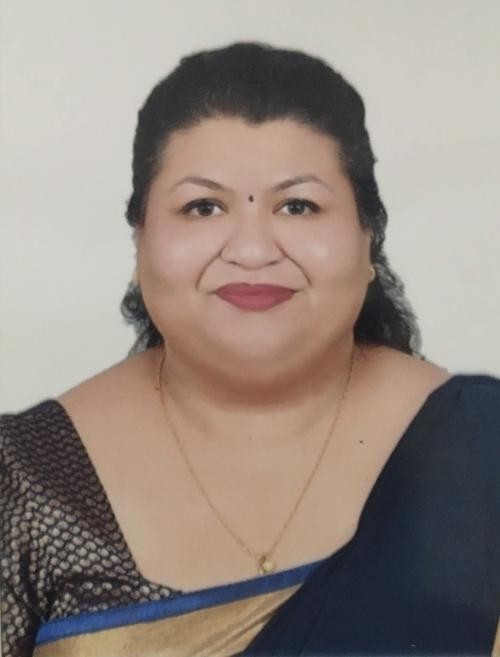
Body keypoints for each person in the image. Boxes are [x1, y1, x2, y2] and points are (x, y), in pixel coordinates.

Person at [1, 41, 499, 657]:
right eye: (203, 206)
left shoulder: (482, 449)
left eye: (299, 205)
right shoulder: (26, 478)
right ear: (140, 241)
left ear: (368, 237)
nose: (253, 250)